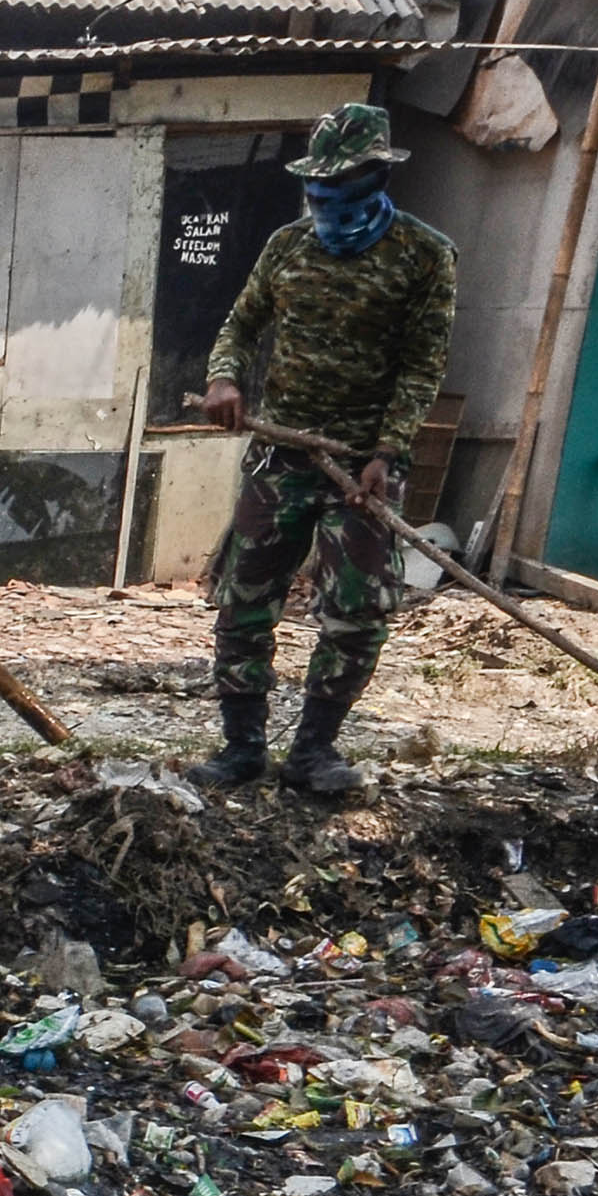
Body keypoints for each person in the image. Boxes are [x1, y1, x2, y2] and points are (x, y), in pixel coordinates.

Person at [187, 101, 458, 800]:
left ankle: (314, 750)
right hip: (282, 458)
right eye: (317, 194)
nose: (328, 209)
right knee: (243, 599)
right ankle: (242, 747)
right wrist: (224, 378)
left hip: (362, 466)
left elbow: (423, 364)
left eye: (341, 194)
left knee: (357, 610)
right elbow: (240, 324)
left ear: (376, 181)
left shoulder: (426, 257)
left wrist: (388, 448)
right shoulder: (287, 247)